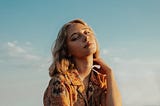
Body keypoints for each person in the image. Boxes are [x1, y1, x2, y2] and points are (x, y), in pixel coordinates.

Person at [43, 19, 122, 106]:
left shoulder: (100, 81)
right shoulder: (60, 82)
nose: (85, 37)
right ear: (67, 51)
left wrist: (109, 73)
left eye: (87, 32)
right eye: (75, 38)